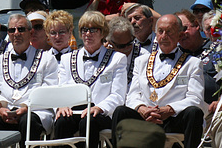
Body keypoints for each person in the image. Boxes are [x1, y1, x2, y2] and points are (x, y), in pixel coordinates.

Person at [111, 14, 205, 148]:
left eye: (169, 32)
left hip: (173, 119)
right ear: (156, 34)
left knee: (194, 112)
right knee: (120, 111)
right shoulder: (141, 61)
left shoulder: (193, 63)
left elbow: (196, 99)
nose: (164, 36)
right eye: (160, 31)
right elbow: (132, 95)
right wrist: (142, 108)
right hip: (146, 118)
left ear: (179, 35)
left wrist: (169, 109)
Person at [0, 14, 59, 147]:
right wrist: (0, 109)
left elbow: (49, 93)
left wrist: (25, 108)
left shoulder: (46, 59)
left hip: (33, 111)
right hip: (5, 112)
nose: (16, 33)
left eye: (21, 29)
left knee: (27, 122)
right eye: (12, 30)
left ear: (30, 32)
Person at [54, 11, 127, 147]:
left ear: (103, 32)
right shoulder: (67, 58)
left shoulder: (117, 59)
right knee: (62, 121)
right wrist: (62, 105)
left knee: (88, 122)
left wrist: (99, 108)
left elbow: (118, 95)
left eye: (93, 30)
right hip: (74, 110)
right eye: (84, 30)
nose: (88, 34)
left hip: (101, 113)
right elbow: (61, 89)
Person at [106, 16, 148, 87]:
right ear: (110, 43)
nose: (126, 48)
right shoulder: (104, 57)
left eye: (129, 44)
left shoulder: (144, 57)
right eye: (121, 46)